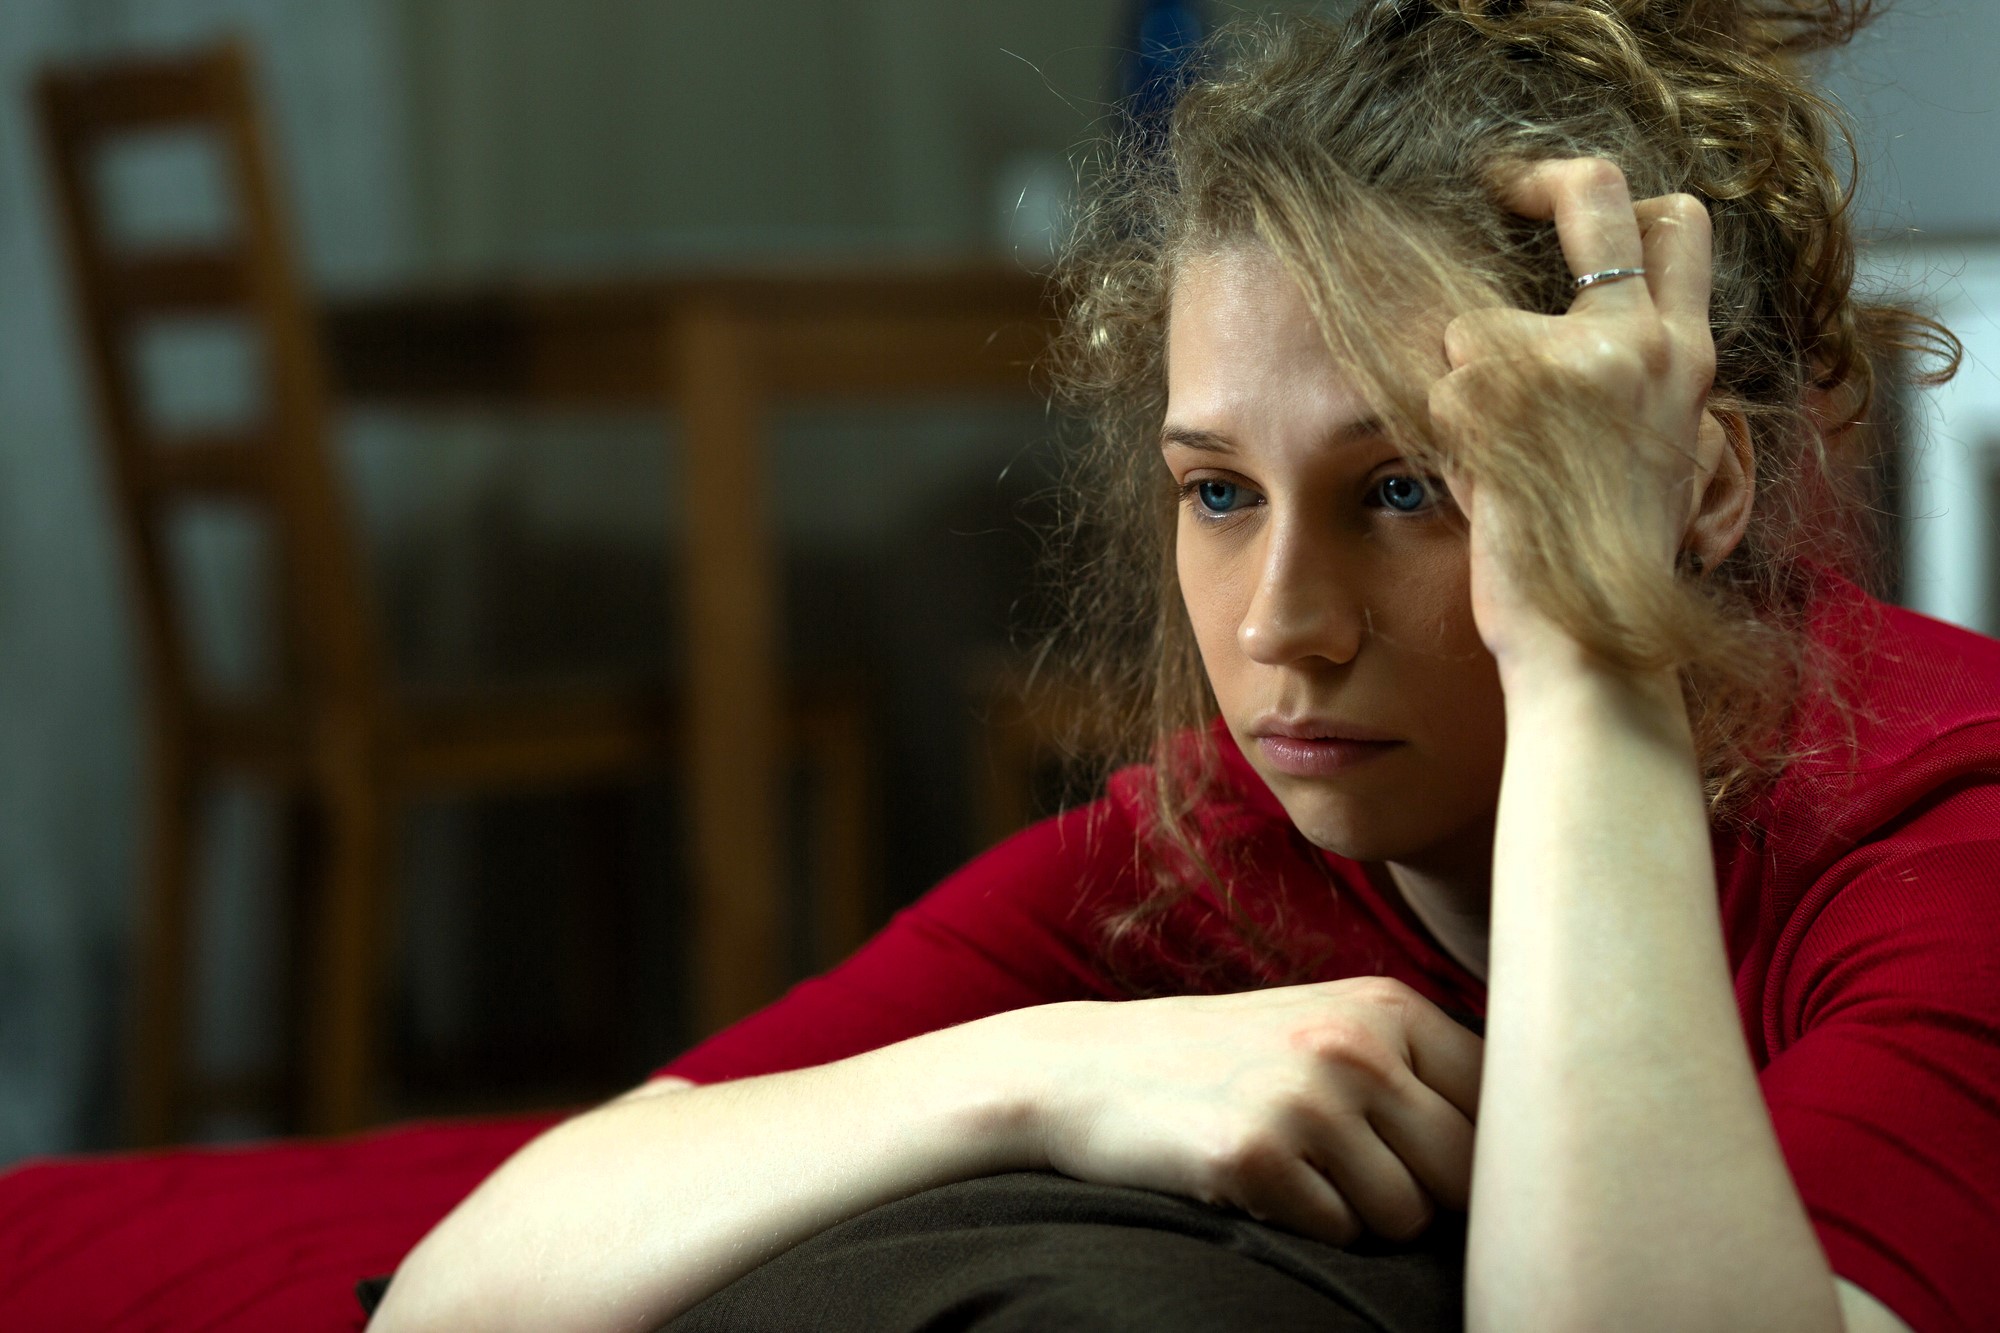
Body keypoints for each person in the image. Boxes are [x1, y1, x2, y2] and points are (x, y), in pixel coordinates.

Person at [371, 2, 2000, 1330]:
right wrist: (1054, 1068)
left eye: (1406, 487)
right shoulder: (1218, 852)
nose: (1283, 616)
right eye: (1218, 489)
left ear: (1696, 482)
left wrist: (1583, 636)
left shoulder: (1945, 827)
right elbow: (455, 1293)